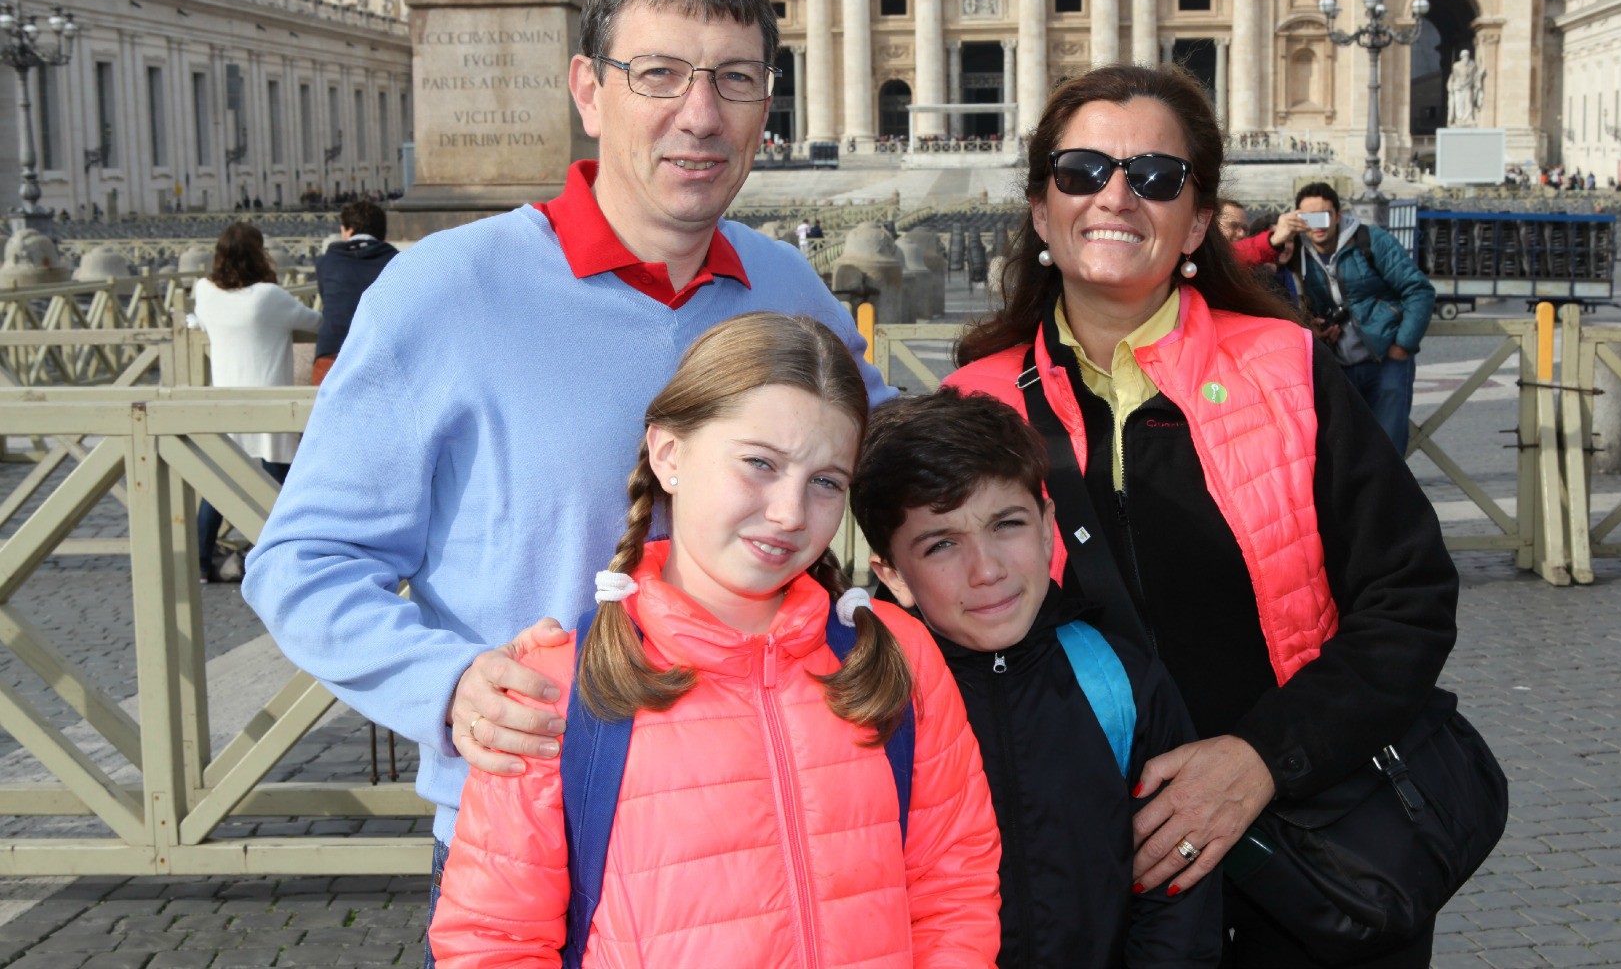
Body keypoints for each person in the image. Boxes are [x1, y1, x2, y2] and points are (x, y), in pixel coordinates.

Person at [241, 0, 893, 951]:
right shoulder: (444, 293)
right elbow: (302, 562)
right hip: (539, 844)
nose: (702, 114)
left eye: (736, 79)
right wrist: (447, 684)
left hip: (760, 847)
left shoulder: (788, 287)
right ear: (588, 90)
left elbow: (902, 473)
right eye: (660, 74)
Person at [944, 64, 1458, 967]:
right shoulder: (970, 407)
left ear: (1196, 222)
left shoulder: (1289, 369)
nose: (1115, 196)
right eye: (1081, 171)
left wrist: (1263, 758)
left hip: (1306, 863)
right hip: (1080, 885)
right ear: (1038, 212)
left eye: (1154, 177)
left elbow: (1408, 600)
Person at [428, 314, 998, 966]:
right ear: (669, 455)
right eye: (759, 463)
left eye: (825, 482)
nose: (788, 512)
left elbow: (953, 890)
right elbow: (494, 940)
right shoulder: (554, 687)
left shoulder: (897, 656)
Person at [851, 388, 1222, 967]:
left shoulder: (1120, 680)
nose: (988, 570)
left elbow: (1179, 898)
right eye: (942, 544)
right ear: (893, 574)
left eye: (1007, 524)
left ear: (1049, 527)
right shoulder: (866, 703)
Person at [190, 222, 323, 583]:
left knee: (219, 488)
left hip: (227, 407)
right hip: (269, 406)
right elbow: (316, 322)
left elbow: (199, 320)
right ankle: (303, 553)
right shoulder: (269, 297)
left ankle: (201, 563)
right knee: (286, 486)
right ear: (259, 255)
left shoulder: (204, 292)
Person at [1282, 182, 1437, 456]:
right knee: (1344, 454)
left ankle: (1389, 500)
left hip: (1385, 360)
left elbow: (1419, 291)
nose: (1318, 226)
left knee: (1389, 450)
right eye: (1309, 218)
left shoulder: (1371, 240)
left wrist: (1402, 347)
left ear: (1338, 215)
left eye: (1325, 216)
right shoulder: (1295, 252)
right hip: (1337, 365)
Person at [311, 200, 399, 386]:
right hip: (378, 355)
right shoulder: (395, 262)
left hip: (332, 355)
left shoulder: (326, 263)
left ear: (348, 230)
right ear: (382, 234)